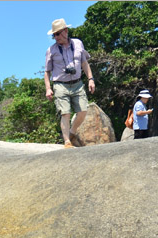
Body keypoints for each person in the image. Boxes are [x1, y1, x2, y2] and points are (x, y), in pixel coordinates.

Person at [44, 18, 95, 148]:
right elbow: (47, 72)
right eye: (53, 35)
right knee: (65, 113)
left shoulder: (78, 43)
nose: (55, 37)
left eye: (57, 34)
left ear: (65, 31)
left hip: (77, 84)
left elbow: (84, 63)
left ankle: (72, 133)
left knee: (83, 111)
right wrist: (48, 88)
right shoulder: (51, 50)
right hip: (60, 84)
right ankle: (67, 141)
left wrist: (90, 79)